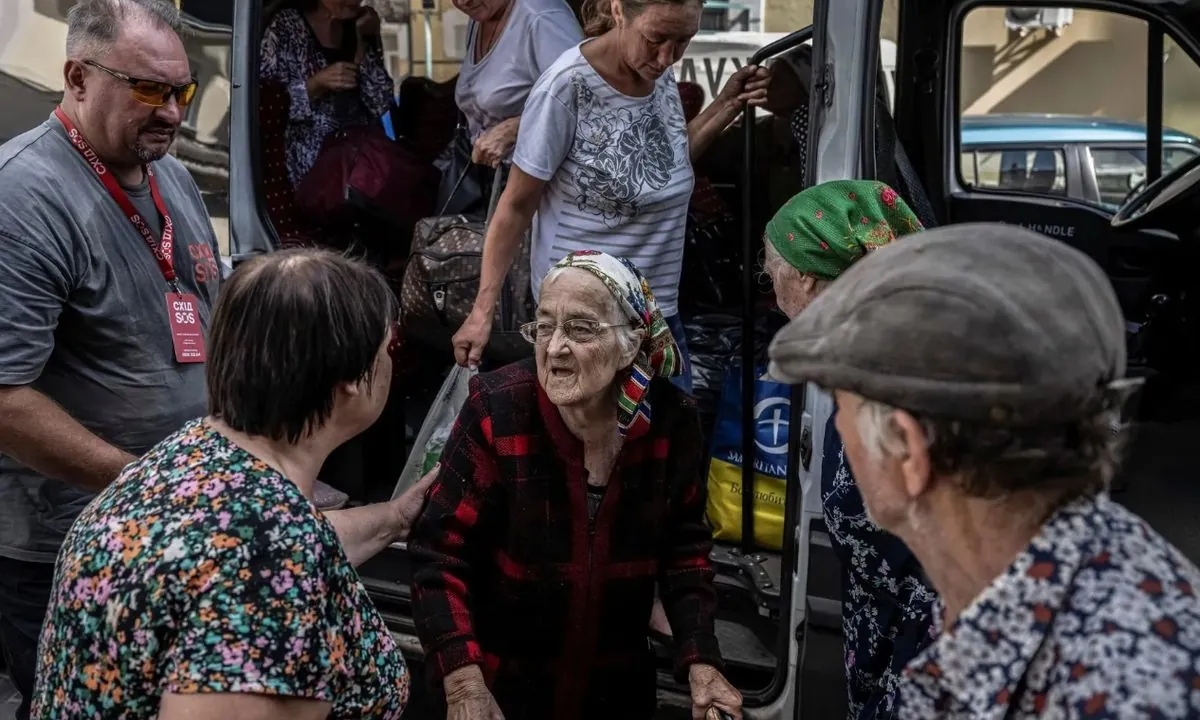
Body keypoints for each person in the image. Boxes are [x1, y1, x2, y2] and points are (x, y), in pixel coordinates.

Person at [768, 222, 1200, 719]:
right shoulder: (991, 579)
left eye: (841, 404)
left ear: (908, 453)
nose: (837, 427)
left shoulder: (1116, 690)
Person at [32, 248, 436, 720]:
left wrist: (394, 518)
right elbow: (263, 560)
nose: (390, 360)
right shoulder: (272, 554)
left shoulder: (189, 457)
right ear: (350, 379)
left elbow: (246, 547)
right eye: (387, 347)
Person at [410, 250, 742, 720]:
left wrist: (701, 659)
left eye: (581, 329)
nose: (555, 348)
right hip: (503, 685)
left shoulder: (671, 421)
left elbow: (684, 551)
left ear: (631, 343)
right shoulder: (497, 409)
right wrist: (463, 679)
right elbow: (439, 552)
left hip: (617, 690)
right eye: (545, 327)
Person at [0, 2, 217, 717]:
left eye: (180, 92)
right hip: (65, 547)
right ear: (77, 77)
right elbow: (6, 402)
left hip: (170, 530)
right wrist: (144, 483)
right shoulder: (23, 196)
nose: (174, 113)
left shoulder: (173, 178)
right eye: (149, 90)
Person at [450, 0, 773, 391]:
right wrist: (481, 313)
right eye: (656, 39)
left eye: (683, 40)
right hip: (585, 323)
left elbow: (662, 167)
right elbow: (516, 206)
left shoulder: (656, 72)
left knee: (669, 444)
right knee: (601, 448)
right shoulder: (565, 87)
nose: (667, 56)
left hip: (657, 311)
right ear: (620, 12)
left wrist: (727, 105)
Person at [761, 180, 933, 720]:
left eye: (773, 268)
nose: (769, 283)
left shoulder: (890, 376)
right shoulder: (865, 349)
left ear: (806, 278)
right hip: (883, 625)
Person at [260, 0, 395, 187]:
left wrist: (363, 43)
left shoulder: (359, 26)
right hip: (309, 176)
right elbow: (266, 106)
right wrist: (316, 84)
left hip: (361, 172)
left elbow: (381, 101)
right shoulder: (286, 27)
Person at [451, 0, 582, 169]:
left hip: (538, 178)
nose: (463, 2)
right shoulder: (479, 16)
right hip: (490, 174)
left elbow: (583, 99)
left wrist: (514, 129)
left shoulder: (543, 18)